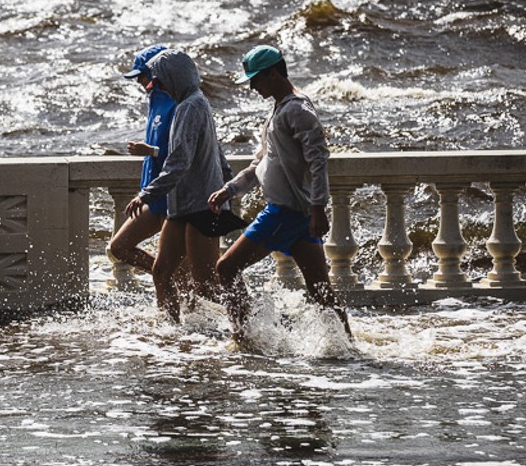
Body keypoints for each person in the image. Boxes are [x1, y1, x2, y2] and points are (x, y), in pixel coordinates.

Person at [207, 45, 352, 344]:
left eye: (256, 79)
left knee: (226, 267)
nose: (252, 87)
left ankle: (242, 339)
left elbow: (318, 159)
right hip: (295, 214)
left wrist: (318, 208)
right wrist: (230, 189)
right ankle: (348, 344)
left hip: (285, 212)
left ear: (274, 73)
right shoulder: (279, 110)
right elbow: (260, 163)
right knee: (319, 287)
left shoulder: (297, 110)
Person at [124, 49, 233, 322]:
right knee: (162, 271)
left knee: (207, 285)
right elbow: (218, 158)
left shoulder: (189, 107)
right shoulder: (194, 103)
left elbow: (179, 162)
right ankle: (170, 330)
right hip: (179, 205)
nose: (156, 88)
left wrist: (145, 195)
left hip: (199, 207)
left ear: (175, 78)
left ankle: (255, 320)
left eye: (160, 82)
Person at [107, 44, 176, 276]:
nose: (139, 82)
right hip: (153, 195)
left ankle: (173, 284)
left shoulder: (177, 102)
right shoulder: (154, 100)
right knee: (119, 247)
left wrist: (153, 151)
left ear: (157, 73)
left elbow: (184, 154)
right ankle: (169, 275)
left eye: (142, 76)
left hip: (173, 197)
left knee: (188, 273)